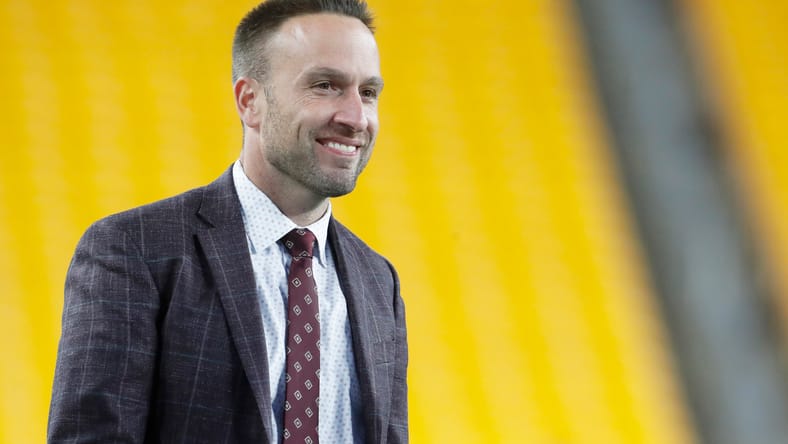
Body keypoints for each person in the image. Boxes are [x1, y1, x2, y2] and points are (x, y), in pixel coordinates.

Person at [47, 0, 408, 442]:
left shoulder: (379, 281)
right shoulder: (133, 249)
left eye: (368, 92)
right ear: (249, 101)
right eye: (325, 85)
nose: (356, 117)